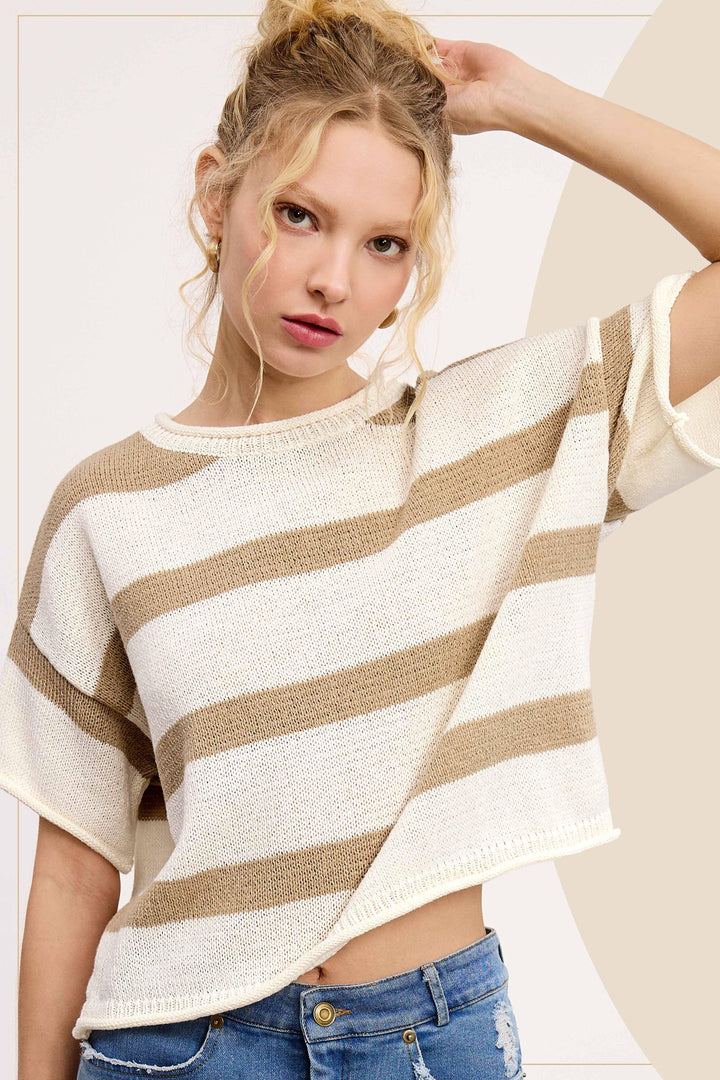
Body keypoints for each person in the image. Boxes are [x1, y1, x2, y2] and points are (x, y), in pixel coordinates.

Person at [4, 1, 719, 1078]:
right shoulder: (107, 511)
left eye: (385, 243)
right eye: (300, 216)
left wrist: (529, 101)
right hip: (181, 1047)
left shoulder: (495, 434)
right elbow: (73, 869)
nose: (335, 279)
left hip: (431, 1040)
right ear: (217, 197)